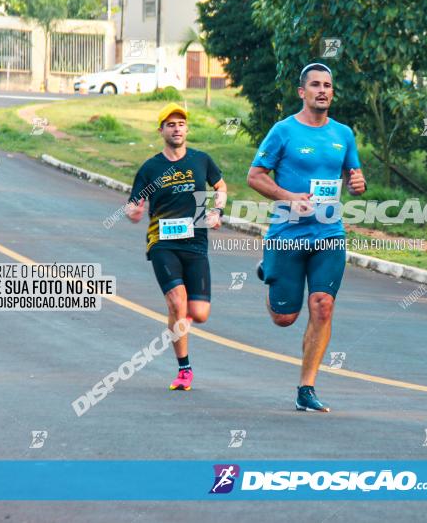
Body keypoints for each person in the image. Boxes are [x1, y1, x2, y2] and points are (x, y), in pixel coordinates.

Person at [247, 63, 366, 412]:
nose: (322, 91)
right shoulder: (283, 131)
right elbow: (255, 176)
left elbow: (353, 176)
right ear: (302, 92)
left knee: (323, 305)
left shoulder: (343, 134)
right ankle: (267, 270)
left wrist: (358, 185)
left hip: (329, 233)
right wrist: (289, 198)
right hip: (287, 233)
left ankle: (306, 388)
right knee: (285, 318)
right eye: (315, 85)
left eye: (328, 85)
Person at [125, 103, 226, 391]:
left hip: (196, 243)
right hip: (163, 243)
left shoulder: (201, 160)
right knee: (177, 302)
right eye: (170, 124)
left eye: (181, 123)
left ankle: (178, 319)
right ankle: (184, 370)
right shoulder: (151, 168)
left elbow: (221, 187)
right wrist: (133, 211)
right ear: (161, 131)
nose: (177, 128)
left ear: (187, 129)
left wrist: (217, 212)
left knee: (200, 313)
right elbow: (134, 203)